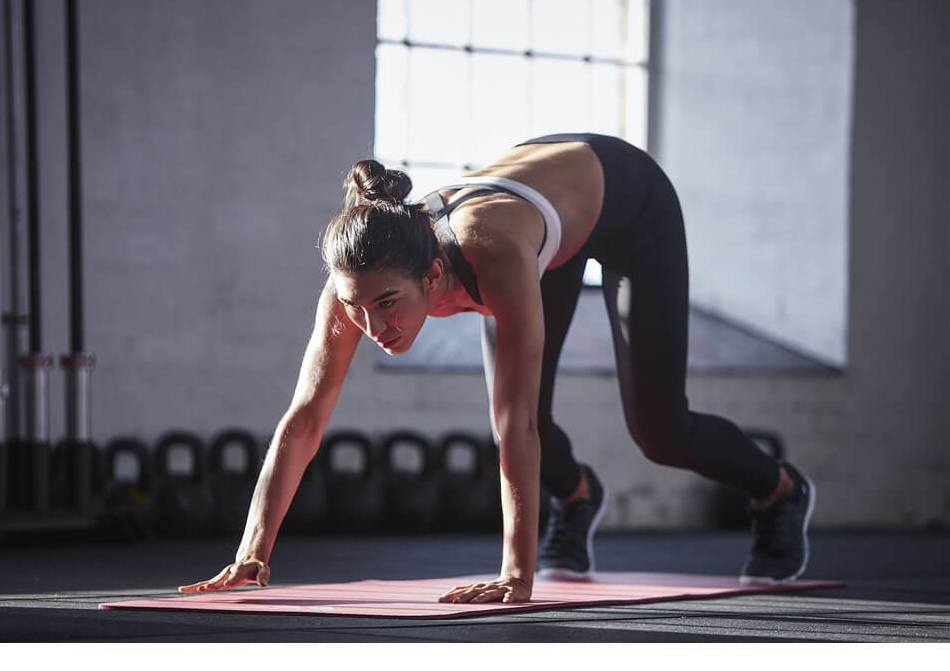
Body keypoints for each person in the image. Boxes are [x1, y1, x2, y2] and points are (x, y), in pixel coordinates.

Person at [180, 133, 816, 603]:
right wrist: (251, 553)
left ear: (433, 276)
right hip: (550, 218)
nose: (373, 327)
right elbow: (306, 418)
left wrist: (517, 573)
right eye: (356, 307)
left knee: (658, 430)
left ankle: (780, 489)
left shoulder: (495, 253)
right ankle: (577, 496)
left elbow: (516, 429)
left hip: (627, 203)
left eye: (387, 306)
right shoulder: (356, 282)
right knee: (527, 410)